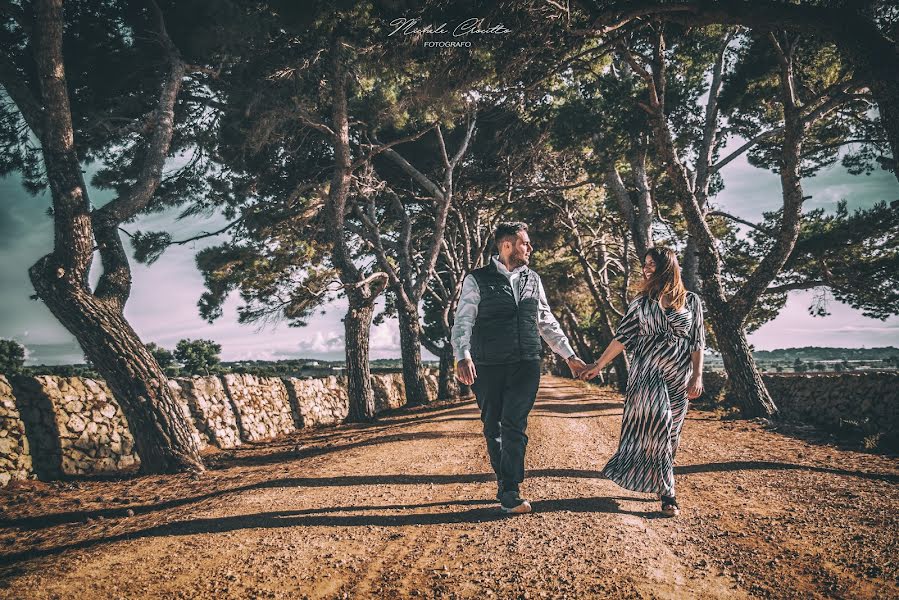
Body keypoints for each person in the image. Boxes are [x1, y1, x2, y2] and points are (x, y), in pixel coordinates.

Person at [452, 222, 588, 514]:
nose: (530, 248)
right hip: (487, 365)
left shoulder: (533, 279)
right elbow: (463, 320)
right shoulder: (477, 280)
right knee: (493, 426)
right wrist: (462, 355)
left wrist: (569, 356)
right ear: (507, 245)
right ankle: (505, 482)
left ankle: (511, 488)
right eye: (525, 243)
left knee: (514, 424)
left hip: (526, 362)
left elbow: (546, 321)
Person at [579, 247, 705, 517]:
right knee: (658, 424)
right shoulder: (641, 303)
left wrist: (697, 375)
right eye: (645, 264)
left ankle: (660, 480)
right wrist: (598, 365)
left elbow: (697, 342)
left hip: (678, 375)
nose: (646, 269)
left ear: (666, 266)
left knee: (671, 434)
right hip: (647, 373)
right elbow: (622, 338)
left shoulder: (692, 301)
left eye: (651, 264)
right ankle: (669, 494)